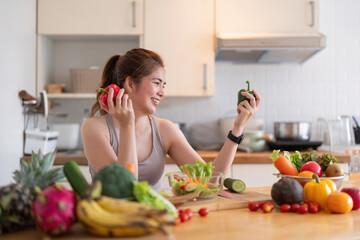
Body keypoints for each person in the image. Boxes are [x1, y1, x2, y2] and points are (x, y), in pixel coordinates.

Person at [81, 48, 261, 191]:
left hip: (156, 218)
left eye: (163, 85)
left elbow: (211, 181)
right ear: (130, 84)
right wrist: (127, 125)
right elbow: (124, 188)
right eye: (156, 83)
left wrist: (237, 128)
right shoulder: (94, 128)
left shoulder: (165, 129)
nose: (162, 92)